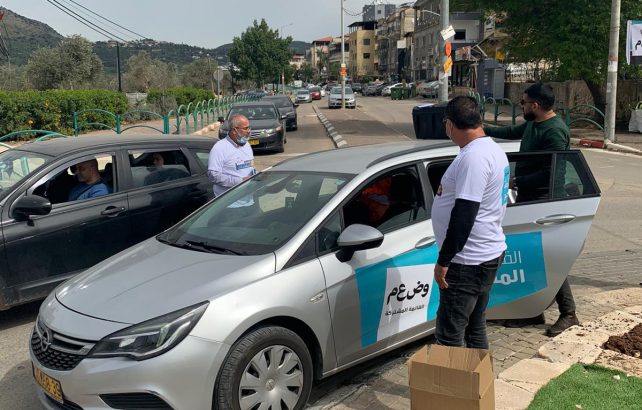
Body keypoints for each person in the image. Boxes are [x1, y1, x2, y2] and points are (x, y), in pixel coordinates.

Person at [484, 82, 578, 337]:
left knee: (549, 257)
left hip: (545, 200)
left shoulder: (554, 131)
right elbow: (511, 131)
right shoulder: (533, 124)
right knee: (532, 255)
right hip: (529, 197)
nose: (521, 106)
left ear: (535, 105)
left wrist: (516, 181)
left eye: (523, 102)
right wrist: (481, 129)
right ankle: (533, 310)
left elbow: (551, 172)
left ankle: (569, 313)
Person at [432, 96, 509, 349]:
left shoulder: (474, 157)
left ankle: (453, 376)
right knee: (475, 326)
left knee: (449, 335)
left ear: (450, 124)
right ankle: (479, 375)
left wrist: (444, 261)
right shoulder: (491, 149)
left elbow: (464, 214)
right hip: (483, 255)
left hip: (467, 261)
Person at [207, 114, 256, 197]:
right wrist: (240, 181)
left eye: (249, 127)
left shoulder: (247, 145)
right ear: (234, 130)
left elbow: (249, 166)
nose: (249, 131)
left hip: (249, 198)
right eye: (245, 128)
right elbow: (213, 175)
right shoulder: (220, 147)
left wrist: (257, 175)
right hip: (229, 201)